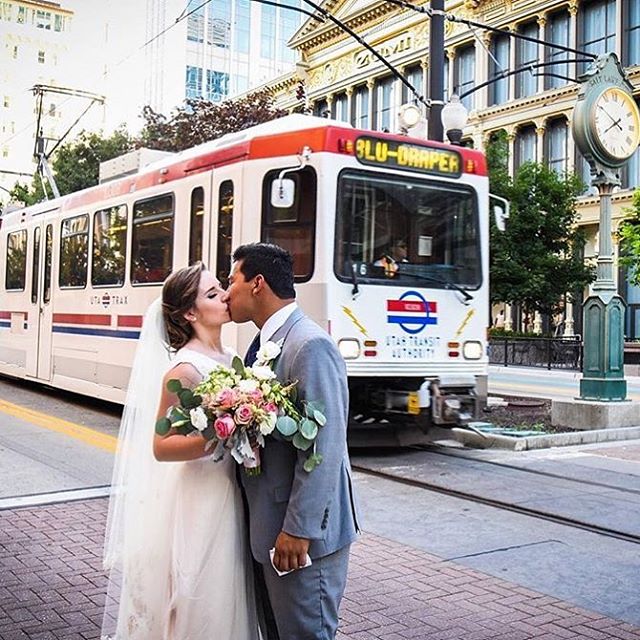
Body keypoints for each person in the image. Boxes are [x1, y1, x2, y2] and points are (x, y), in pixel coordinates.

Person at [101, 262, 260, 640]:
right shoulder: (184, 370)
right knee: (200, 595)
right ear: (190, 313)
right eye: (211, 294)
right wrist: (224, 432)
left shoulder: (232, 357)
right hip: (201, 497)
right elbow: (161, 446)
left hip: (231, 491)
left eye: (220, 287)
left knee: (230, 593)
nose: (224, 295)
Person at [223, 243, 361, 640]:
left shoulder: (309, 344)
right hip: (269, 530)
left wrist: (299, 530)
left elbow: (325, 445)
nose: (226, 290)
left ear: (257, 284)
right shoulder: (264, 344)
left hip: (301, 542)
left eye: (232, 280)